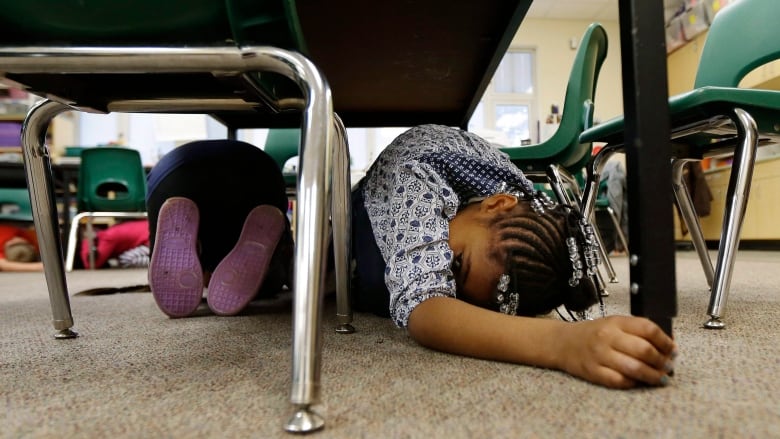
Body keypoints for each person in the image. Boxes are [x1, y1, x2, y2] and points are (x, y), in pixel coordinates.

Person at [351, 124, 677, 389]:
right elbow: (425, 308)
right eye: (457, 263)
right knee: (382, 293)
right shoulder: (420, 177)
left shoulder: (521, 213)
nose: (449, 291)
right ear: (495, 204)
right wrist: (563, 344)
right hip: (360, 211)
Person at [145, 139, 294, 318]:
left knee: (172, 260)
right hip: (259, 173)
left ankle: (203, 260)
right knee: (269, 279)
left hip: (172, 174)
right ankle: (255, 266)